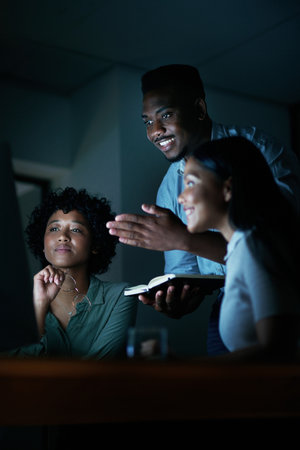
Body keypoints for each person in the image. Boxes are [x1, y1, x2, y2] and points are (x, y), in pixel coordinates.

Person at [106, 64, 300, 354]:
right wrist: (176, 298)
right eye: (147, 122)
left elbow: (280, 246)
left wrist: (182, 238)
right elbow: (188, 272)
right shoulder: (170, 187)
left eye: (166, 115)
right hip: (228, 302)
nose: (155, 131)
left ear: (198, 108)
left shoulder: (258, 151)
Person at [178, 136, 299, 361]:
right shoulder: (239, 247)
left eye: (191, 183)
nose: (180, 197)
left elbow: (277, 348)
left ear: (228, 188)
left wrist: (186, 368)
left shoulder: (253, 245)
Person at [7, 187, 137, 359]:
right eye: (54, 229)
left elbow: (100, 369)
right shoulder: (15, 304)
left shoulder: (121, 296)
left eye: (76, 229)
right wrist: (39, 304)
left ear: (95, 244)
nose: (62, 236)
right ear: (43, 245)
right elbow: (14, 370)